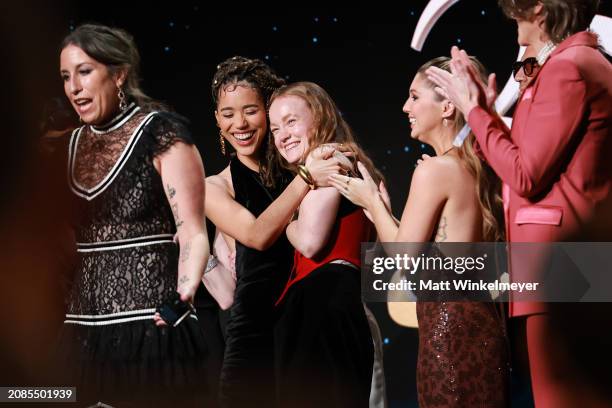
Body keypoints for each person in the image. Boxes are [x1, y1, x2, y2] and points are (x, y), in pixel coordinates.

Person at [425, 1, 612, 406]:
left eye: (515, 10)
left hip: (561, 267)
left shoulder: (568, 68)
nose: (511, 21)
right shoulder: (578, 62)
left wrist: (474, 110)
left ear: (540, 11)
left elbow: (526, 174)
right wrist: (486, 112)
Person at [330, 58, 510, 407]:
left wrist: (372, 204)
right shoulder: (480, 167)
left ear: (446, 106)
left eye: (414, 97)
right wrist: (379, 210)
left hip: (449, 335)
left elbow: (404, 258)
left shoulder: (435, 171)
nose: (405, 107)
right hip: (485, 329)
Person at [54, 24, 211, 406]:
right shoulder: (65, 148)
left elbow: (193, 230)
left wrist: (184, 295)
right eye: (65, 76)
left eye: (85, 71)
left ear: (120, 73)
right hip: (82, 335)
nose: (74, 86)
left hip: (152, 326)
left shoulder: (161, 133)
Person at [204, 57, 348, 407]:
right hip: (252, 339)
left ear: (269, 113)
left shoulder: (301, 161)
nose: (239, 123)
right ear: (217, 121)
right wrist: (306, 179)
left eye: (250, 110)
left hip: (310, 333)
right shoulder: (214, 187)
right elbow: (255, 235)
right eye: (227, 114)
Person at [268, 81, 377, 407]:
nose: (282, 136)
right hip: (343, 301)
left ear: (319, 118)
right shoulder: (356, 161)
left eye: (291, 121)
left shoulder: (324, 157)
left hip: (320, 305)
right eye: (275, 128)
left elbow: (311, 242)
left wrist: (287, 225)